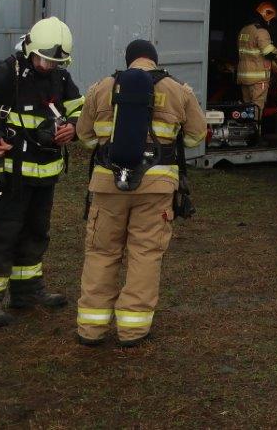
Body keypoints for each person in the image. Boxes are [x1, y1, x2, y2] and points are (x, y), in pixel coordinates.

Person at [0, 17, 83, 328]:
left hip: (45, 173)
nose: (48, 67)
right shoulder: (5, 73)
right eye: (44, 60)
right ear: (31, 49)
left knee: (36, 233)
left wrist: (72, 127)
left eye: (55, 62)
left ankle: (27, 292)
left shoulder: (60, 78)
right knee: (1, 234)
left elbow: (80, 108)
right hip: (9, 174)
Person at [74, 39, 207, 347]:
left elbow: (84, 136)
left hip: (107, 186)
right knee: (145, 254)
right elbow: (196, 136)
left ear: (129, 60)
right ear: (155, 61)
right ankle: (133, 330)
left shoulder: (101, 88)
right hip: (156, 188)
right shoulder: (178, 90)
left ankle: (91, 329)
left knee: (101, 253)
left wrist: (108, 151)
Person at [237, 2, 277, 116]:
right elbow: (268, 51)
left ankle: (247, 131)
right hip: (258, 80)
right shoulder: (261, 32)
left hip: (244, 77)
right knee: (256, 111)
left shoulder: (244, 30)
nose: (270, 23)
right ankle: (255, 133)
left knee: (247, 110)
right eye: (271, 20)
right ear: (266, 17)